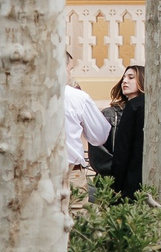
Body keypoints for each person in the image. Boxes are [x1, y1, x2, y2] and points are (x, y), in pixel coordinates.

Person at [63, 55, 109, 195]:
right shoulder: (76, 97)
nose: (70, 74)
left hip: (30, 174)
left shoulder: (22, 96)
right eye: (70, 69)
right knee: (76, 215)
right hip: (69, 172)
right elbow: (100, 135)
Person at [104, 65, 147, 199]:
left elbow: (123, 148)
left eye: (131, 77)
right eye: (123, 77)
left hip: (131, 177)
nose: (124, 81)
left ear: (142, 80)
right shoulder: (146, 105)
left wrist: (115, 184)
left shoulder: (134, 106)